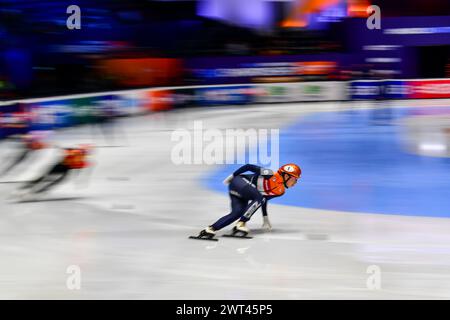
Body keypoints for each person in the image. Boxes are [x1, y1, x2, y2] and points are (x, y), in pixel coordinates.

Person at [196, 163, 301, 239]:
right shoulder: (270, 174)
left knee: (236, 213)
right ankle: (241, 224)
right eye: (294, 179)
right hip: (239, 182)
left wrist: (265, 217)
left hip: (243, 194)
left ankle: (210, 229)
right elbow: (248, 167)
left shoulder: (280, 191)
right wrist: (232, 176)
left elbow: (263, 200)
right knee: (258, 197)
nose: (295, 183)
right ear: (286, 176)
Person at [12, 144, 93, 200]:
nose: (84, 153)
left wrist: (79, 181)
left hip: (66, 168)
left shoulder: (82, 159)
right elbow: (66, 150)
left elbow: (79, 170)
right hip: (58, 166)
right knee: (44, 178)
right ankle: (25, 188)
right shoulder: (76, 152)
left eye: (86, 152)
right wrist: (61, 149)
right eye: (84, 151)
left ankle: (38, 191)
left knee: (57, 180)